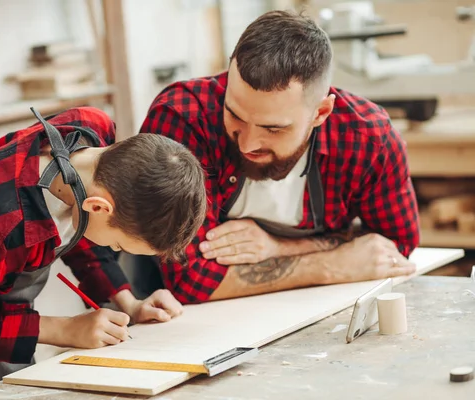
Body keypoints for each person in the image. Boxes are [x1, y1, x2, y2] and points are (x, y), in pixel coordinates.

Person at [0, 106, 207, 400]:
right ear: (98, 205)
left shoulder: (93, 135)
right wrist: (65, 330)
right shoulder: (1, 226)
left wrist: (128, 301)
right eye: (118, 245)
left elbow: (81, 223)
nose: (113, 249)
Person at [135, 10, 420, 304]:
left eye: (273, 128)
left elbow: (393, 246)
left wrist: (278, 247)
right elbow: (190, 278)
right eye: (234, 114)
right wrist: (331, 264)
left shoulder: (367, 138)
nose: (247, 143)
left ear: (320, 113)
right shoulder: (183, 117)